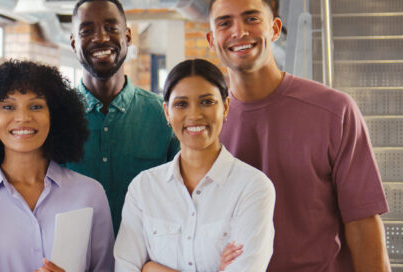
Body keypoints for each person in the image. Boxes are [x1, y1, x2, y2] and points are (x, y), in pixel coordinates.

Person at [206, 0, 390, 271]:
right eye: (225, 23)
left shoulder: (334, 111)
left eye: (252, 19)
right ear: (211, 40)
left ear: (275, 28)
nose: (239, 31)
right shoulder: (201, 125)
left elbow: (363, 223)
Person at [0, 60, 114, 272]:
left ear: (55, 115)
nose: (23, 117)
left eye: (36, 106)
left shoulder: (90, 194)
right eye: (8, 107)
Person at [114, 59, 275, 272]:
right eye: (181, 104)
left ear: (226, 107)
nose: (194, 115)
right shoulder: (143, 187)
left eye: (207, 102)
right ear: (167, 113)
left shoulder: (252, 187)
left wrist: (152, 269)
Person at [66, 0, 179, 232]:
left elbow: (181, 200)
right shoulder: (55, 118)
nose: (100, 38)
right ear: (74, 42)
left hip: (147, 263)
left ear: (127, 36)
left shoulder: (164, 116)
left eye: (111, 28)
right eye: (87, 31)